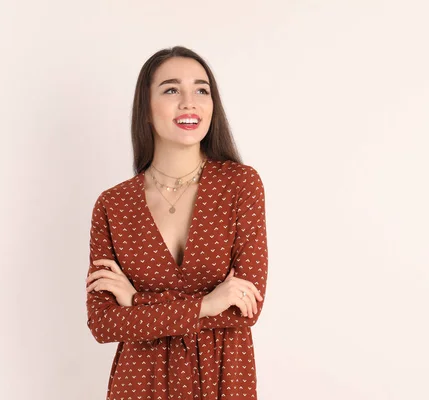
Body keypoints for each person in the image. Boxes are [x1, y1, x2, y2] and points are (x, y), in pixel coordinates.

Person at [84, 46, 268, 400]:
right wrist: (207, 304)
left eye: (202, 90)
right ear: (146, 110)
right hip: (139, 384)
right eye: (171, 90)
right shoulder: (114, 205)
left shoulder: (240, 185)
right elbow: (103, 323)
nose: (190, 102)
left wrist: (137, 301)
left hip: (224, 380)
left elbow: (246, 308)